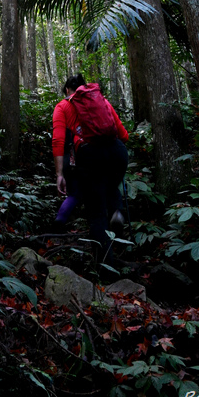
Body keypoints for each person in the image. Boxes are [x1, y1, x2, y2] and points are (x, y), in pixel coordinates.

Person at [52, 74, 128, 262]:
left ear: (68, 91)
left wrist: (60, 173)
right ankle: (118, 211)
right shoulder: (100, 100)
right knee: (110, 188)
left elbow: (58, 140)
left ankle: (104, 266)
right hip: (117, 151)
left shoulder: (63, 106)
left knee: (96, 213)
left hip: (90, 155)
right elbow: (123, 134)